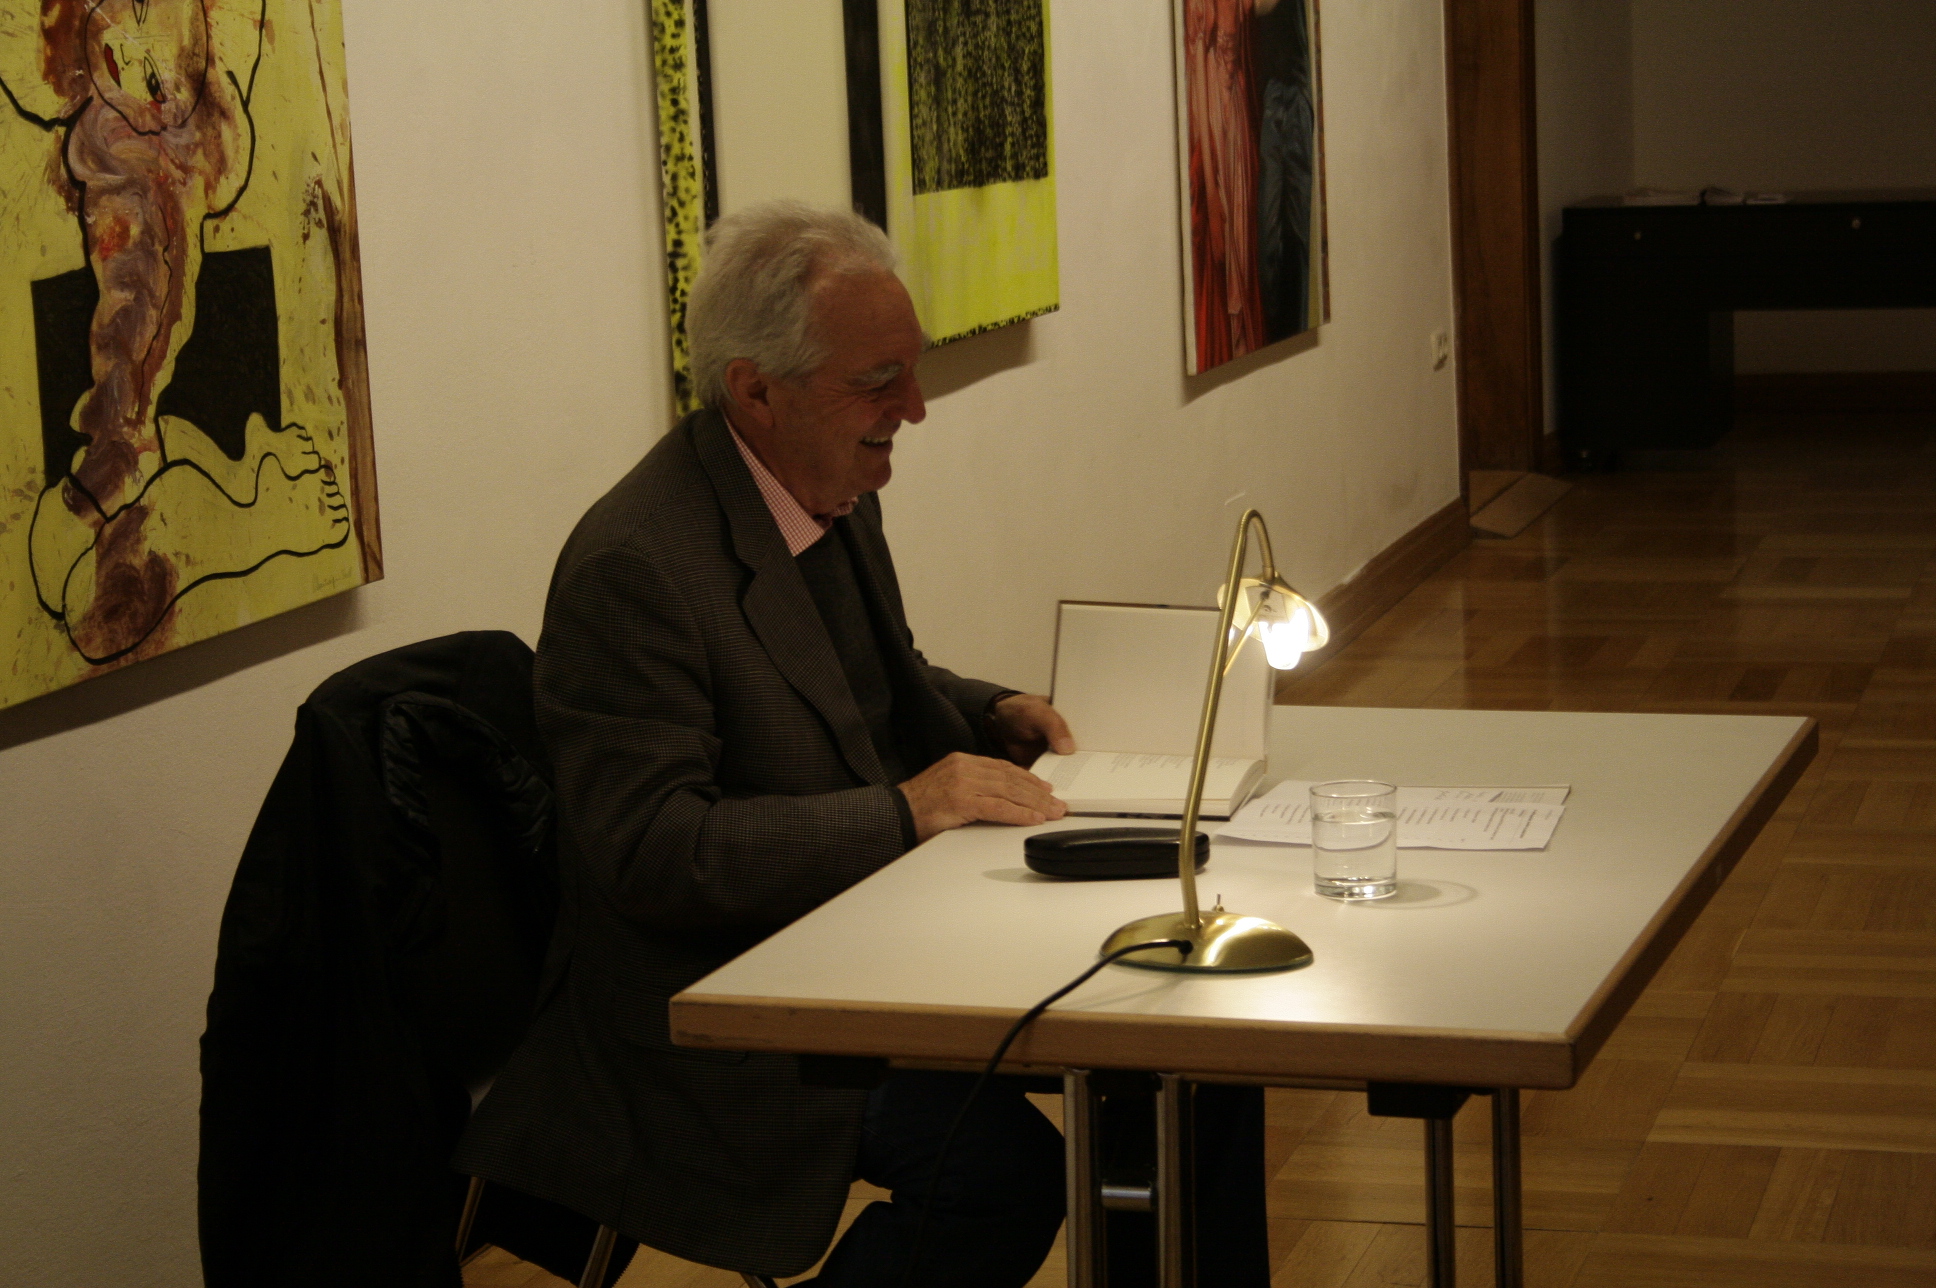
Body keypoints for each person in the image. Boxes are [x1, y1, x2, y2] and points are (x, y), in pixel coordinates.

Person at [456, 202, 1081, 1286]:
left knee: (1171, 1066)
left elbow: (861, 685)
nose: (914, 408)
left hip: (859, 936)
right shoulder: (636, 567)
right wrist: (906, 809)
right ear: (755, 391)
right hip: (713, 1008)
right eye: (878, 381)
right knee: (1002, 1175)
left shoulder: (826, 484)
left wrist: (992, 711)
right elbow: (653, 848)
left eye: (912, 371)